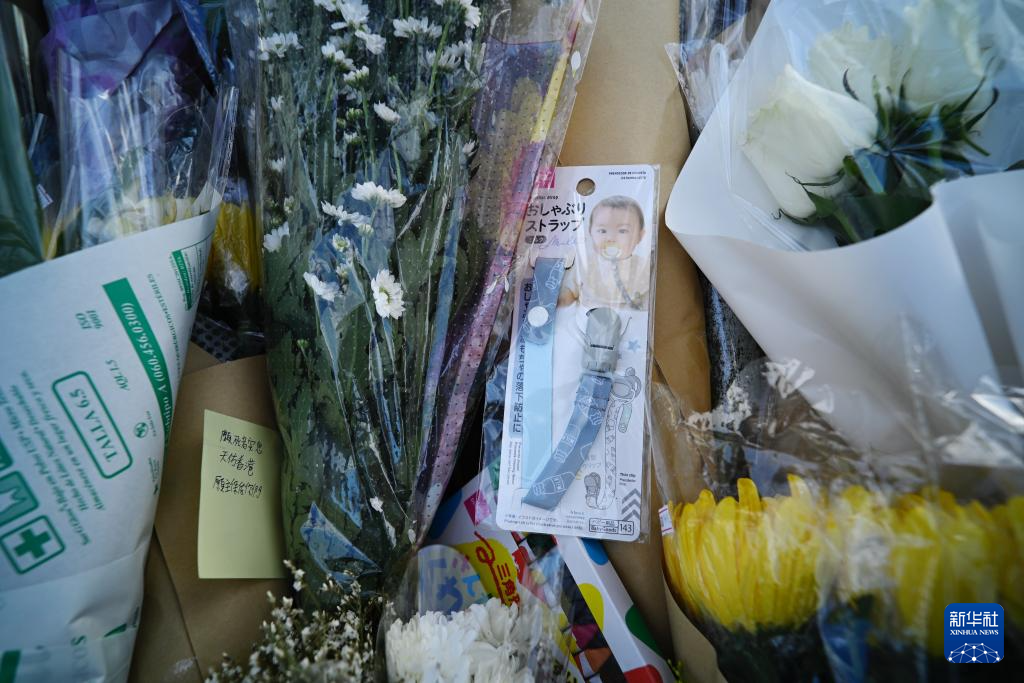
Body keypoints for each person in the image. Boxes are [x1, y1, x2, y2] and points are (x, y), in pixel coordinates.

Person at [558, 195, 650, 310]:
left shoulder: (644, 268)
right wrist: (563, 298)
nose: (610, 238)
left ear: (640, 236)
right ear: (590, 232)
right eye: (602, 231)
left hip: (631, 317)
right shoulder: (585, 264)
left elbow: (648, 302)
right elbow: (568, 291)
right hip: (589, 316)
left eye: (622, 231)